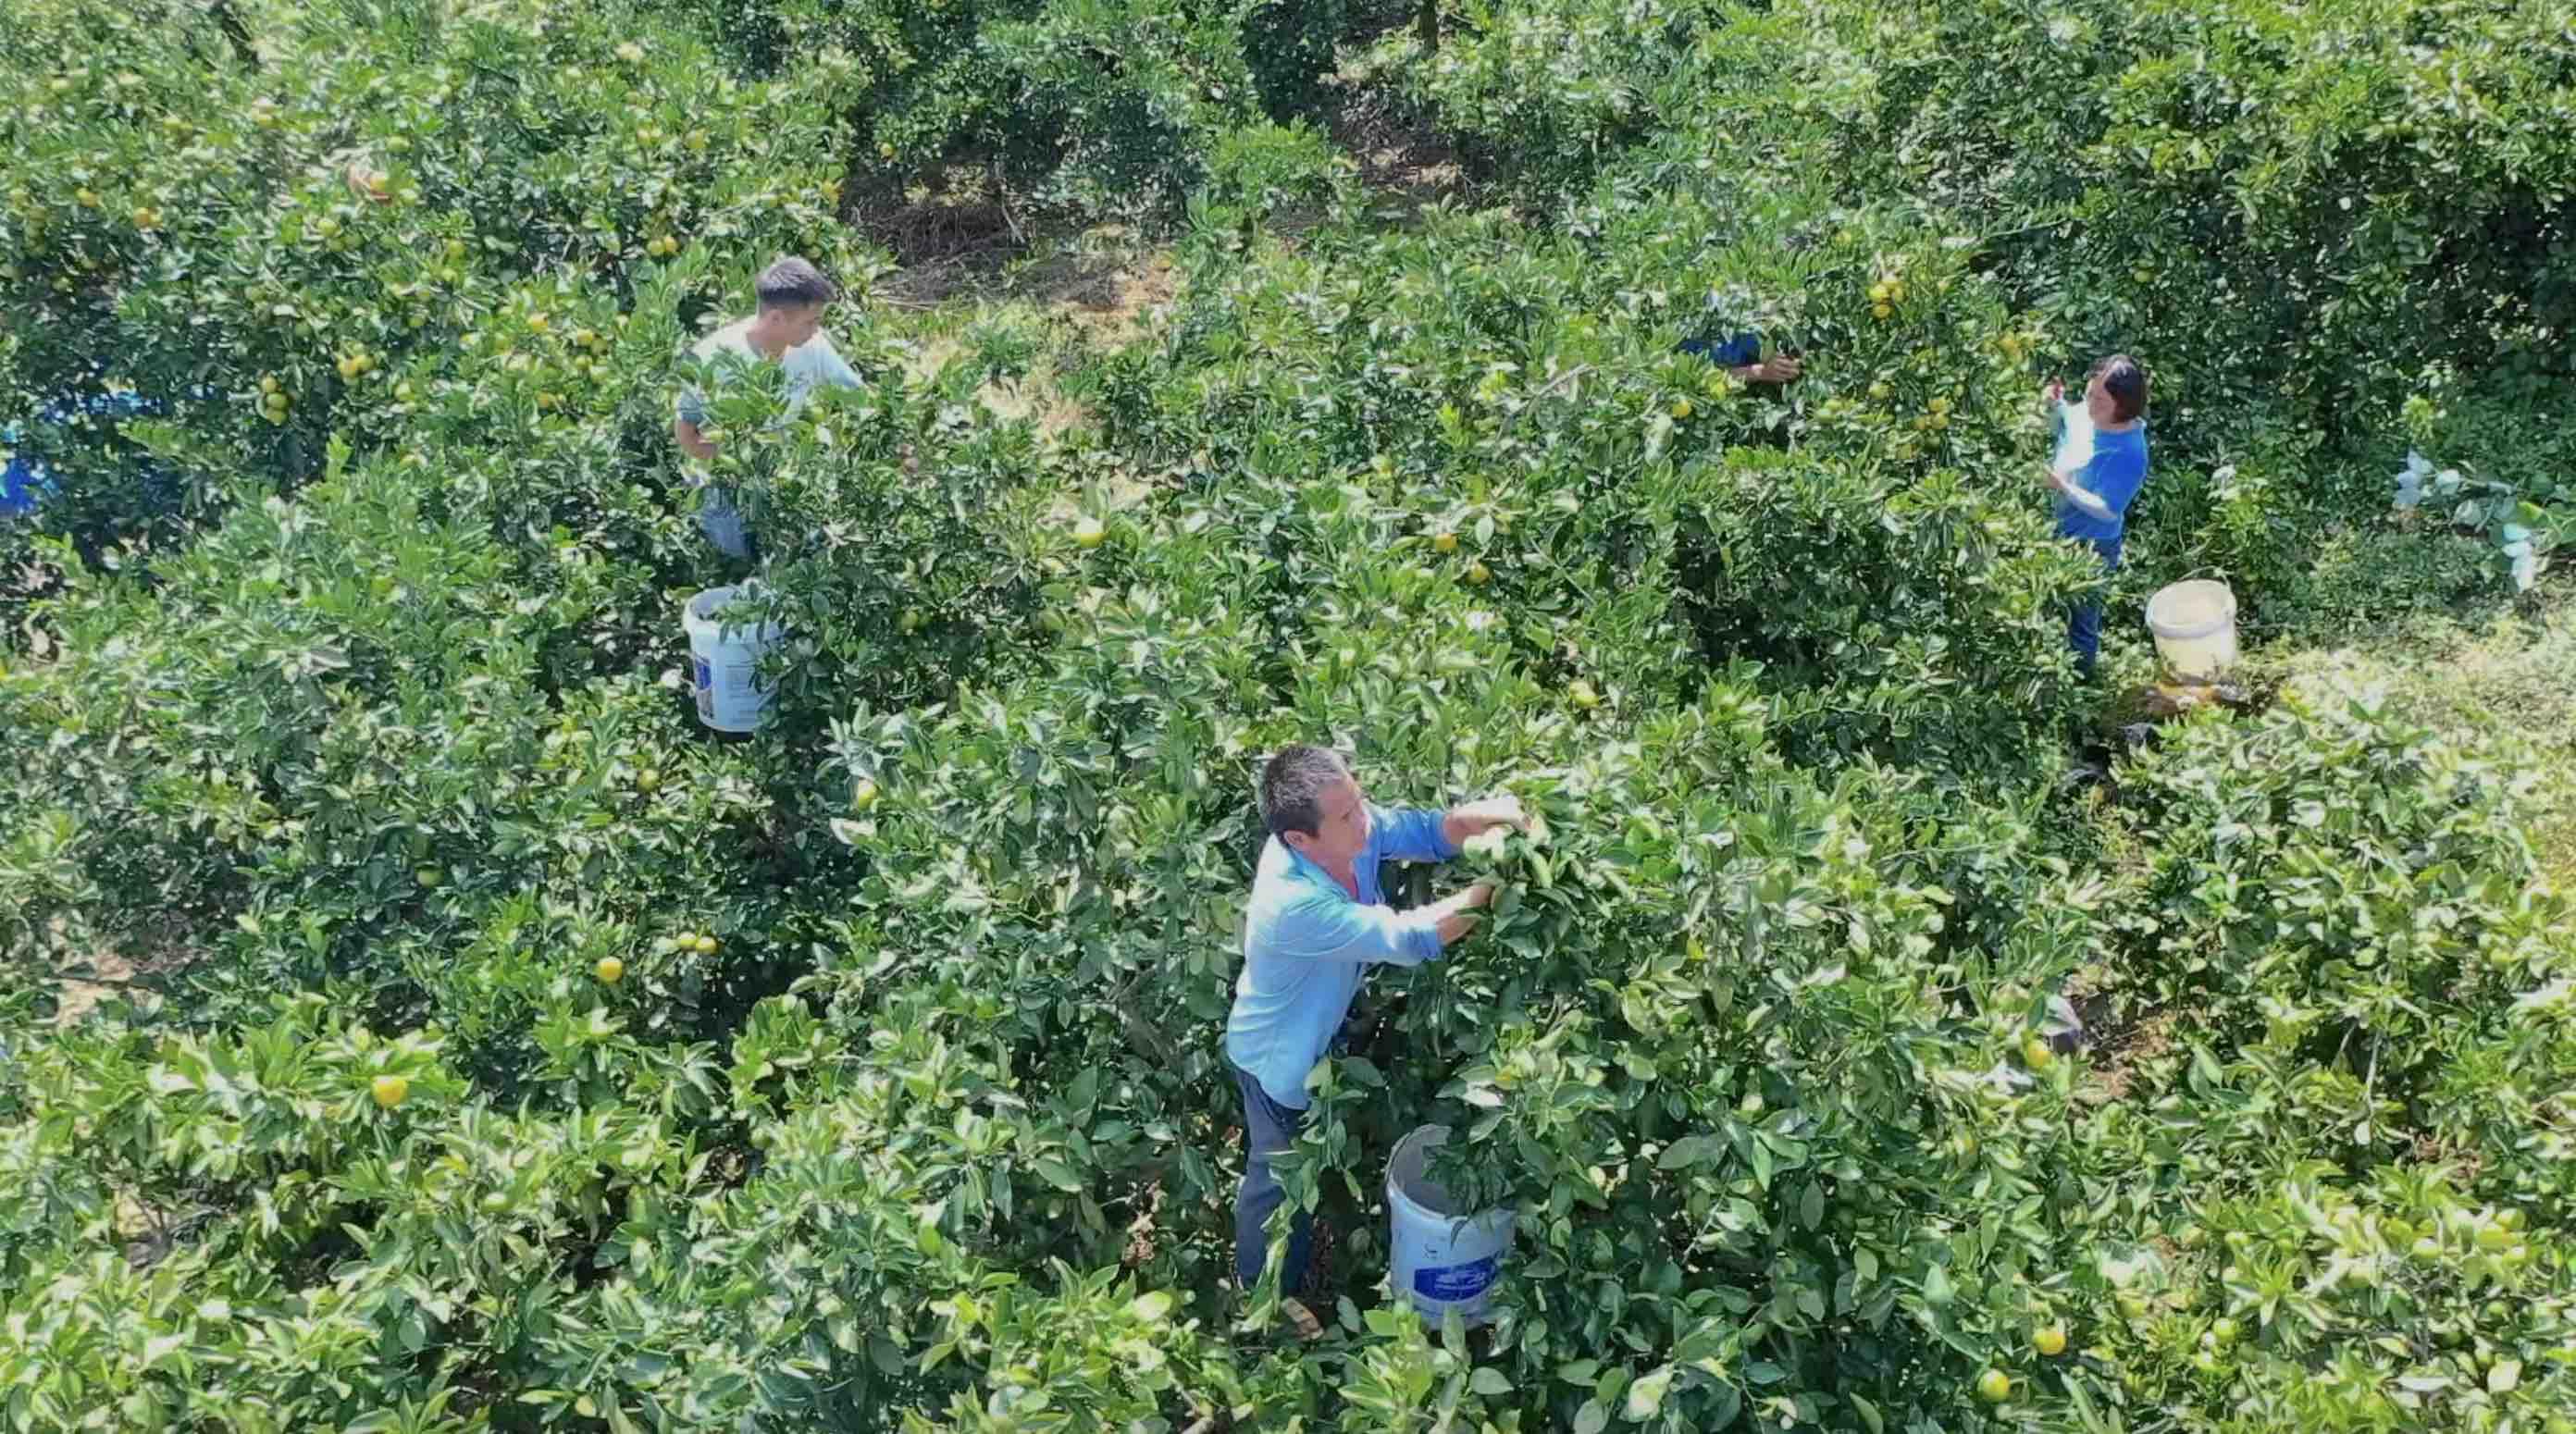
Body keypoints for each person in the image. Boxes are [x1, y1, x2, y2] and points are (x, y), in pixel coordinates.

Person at [1224, 745, 1528, 1339]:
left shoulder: (1347, 833)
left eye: (1358, 801)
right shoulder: (1292, 903)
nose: (1364, 820)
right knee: (1279, 1181)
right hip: (1276, 1062)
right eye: (1346, 816)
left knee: (1305, 1166)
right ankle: (1261, 1301)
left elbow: (1422, 831)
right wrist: (1498, 880)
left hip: (1319, 1037)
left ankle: (1292, 1261)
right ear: (1299, 839)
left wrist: (1492, 819)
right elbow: (1410, 937)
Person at [671, 255, 865, 562]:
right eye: (810, 321)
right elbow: (686, 433)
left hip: (782, 475)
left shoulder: (813, 347)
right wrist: (732, 460)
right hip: (727, 487)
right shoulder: (712, 358)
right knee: (739, 561)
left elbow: (860, 397)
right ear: (776, 319)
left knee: (799, 556)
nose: (817, 330)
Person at [2042, 355, 2150, 679]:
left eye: (2099, 400)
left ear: (2123, 406)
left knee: (2082, 621)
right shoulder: (2087, 413)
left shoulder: (2129, 451)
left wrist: (2063, 487)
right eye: (2089, 393)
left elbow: (2107, 510)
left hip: (2092, 544)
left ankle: (2082, 691)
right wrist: (2055, 403)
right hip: (2054, 529)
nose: (2089, 403)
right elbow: (2068, 417)